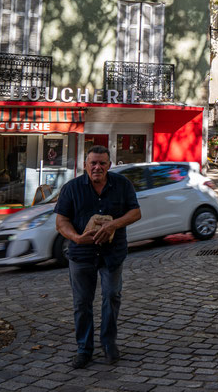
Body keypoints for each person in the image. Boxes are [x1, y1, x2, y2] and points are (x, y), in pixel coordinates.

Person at [54, 146, 141, 369]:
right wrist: (76, 237)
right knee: (82, 303)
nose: (97, 167)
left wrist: (114, 224)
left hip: (113, 254)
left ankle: (109, 343)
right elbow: (61, 221)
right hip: (81, 255)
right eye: (93, 163)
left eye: (102, 163)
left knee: (112, 296)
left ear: (109, 166)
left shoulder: (122, 185)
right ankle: (84, 349)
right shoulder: (71, 188)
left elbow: (135, 212)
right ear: (85, 165)